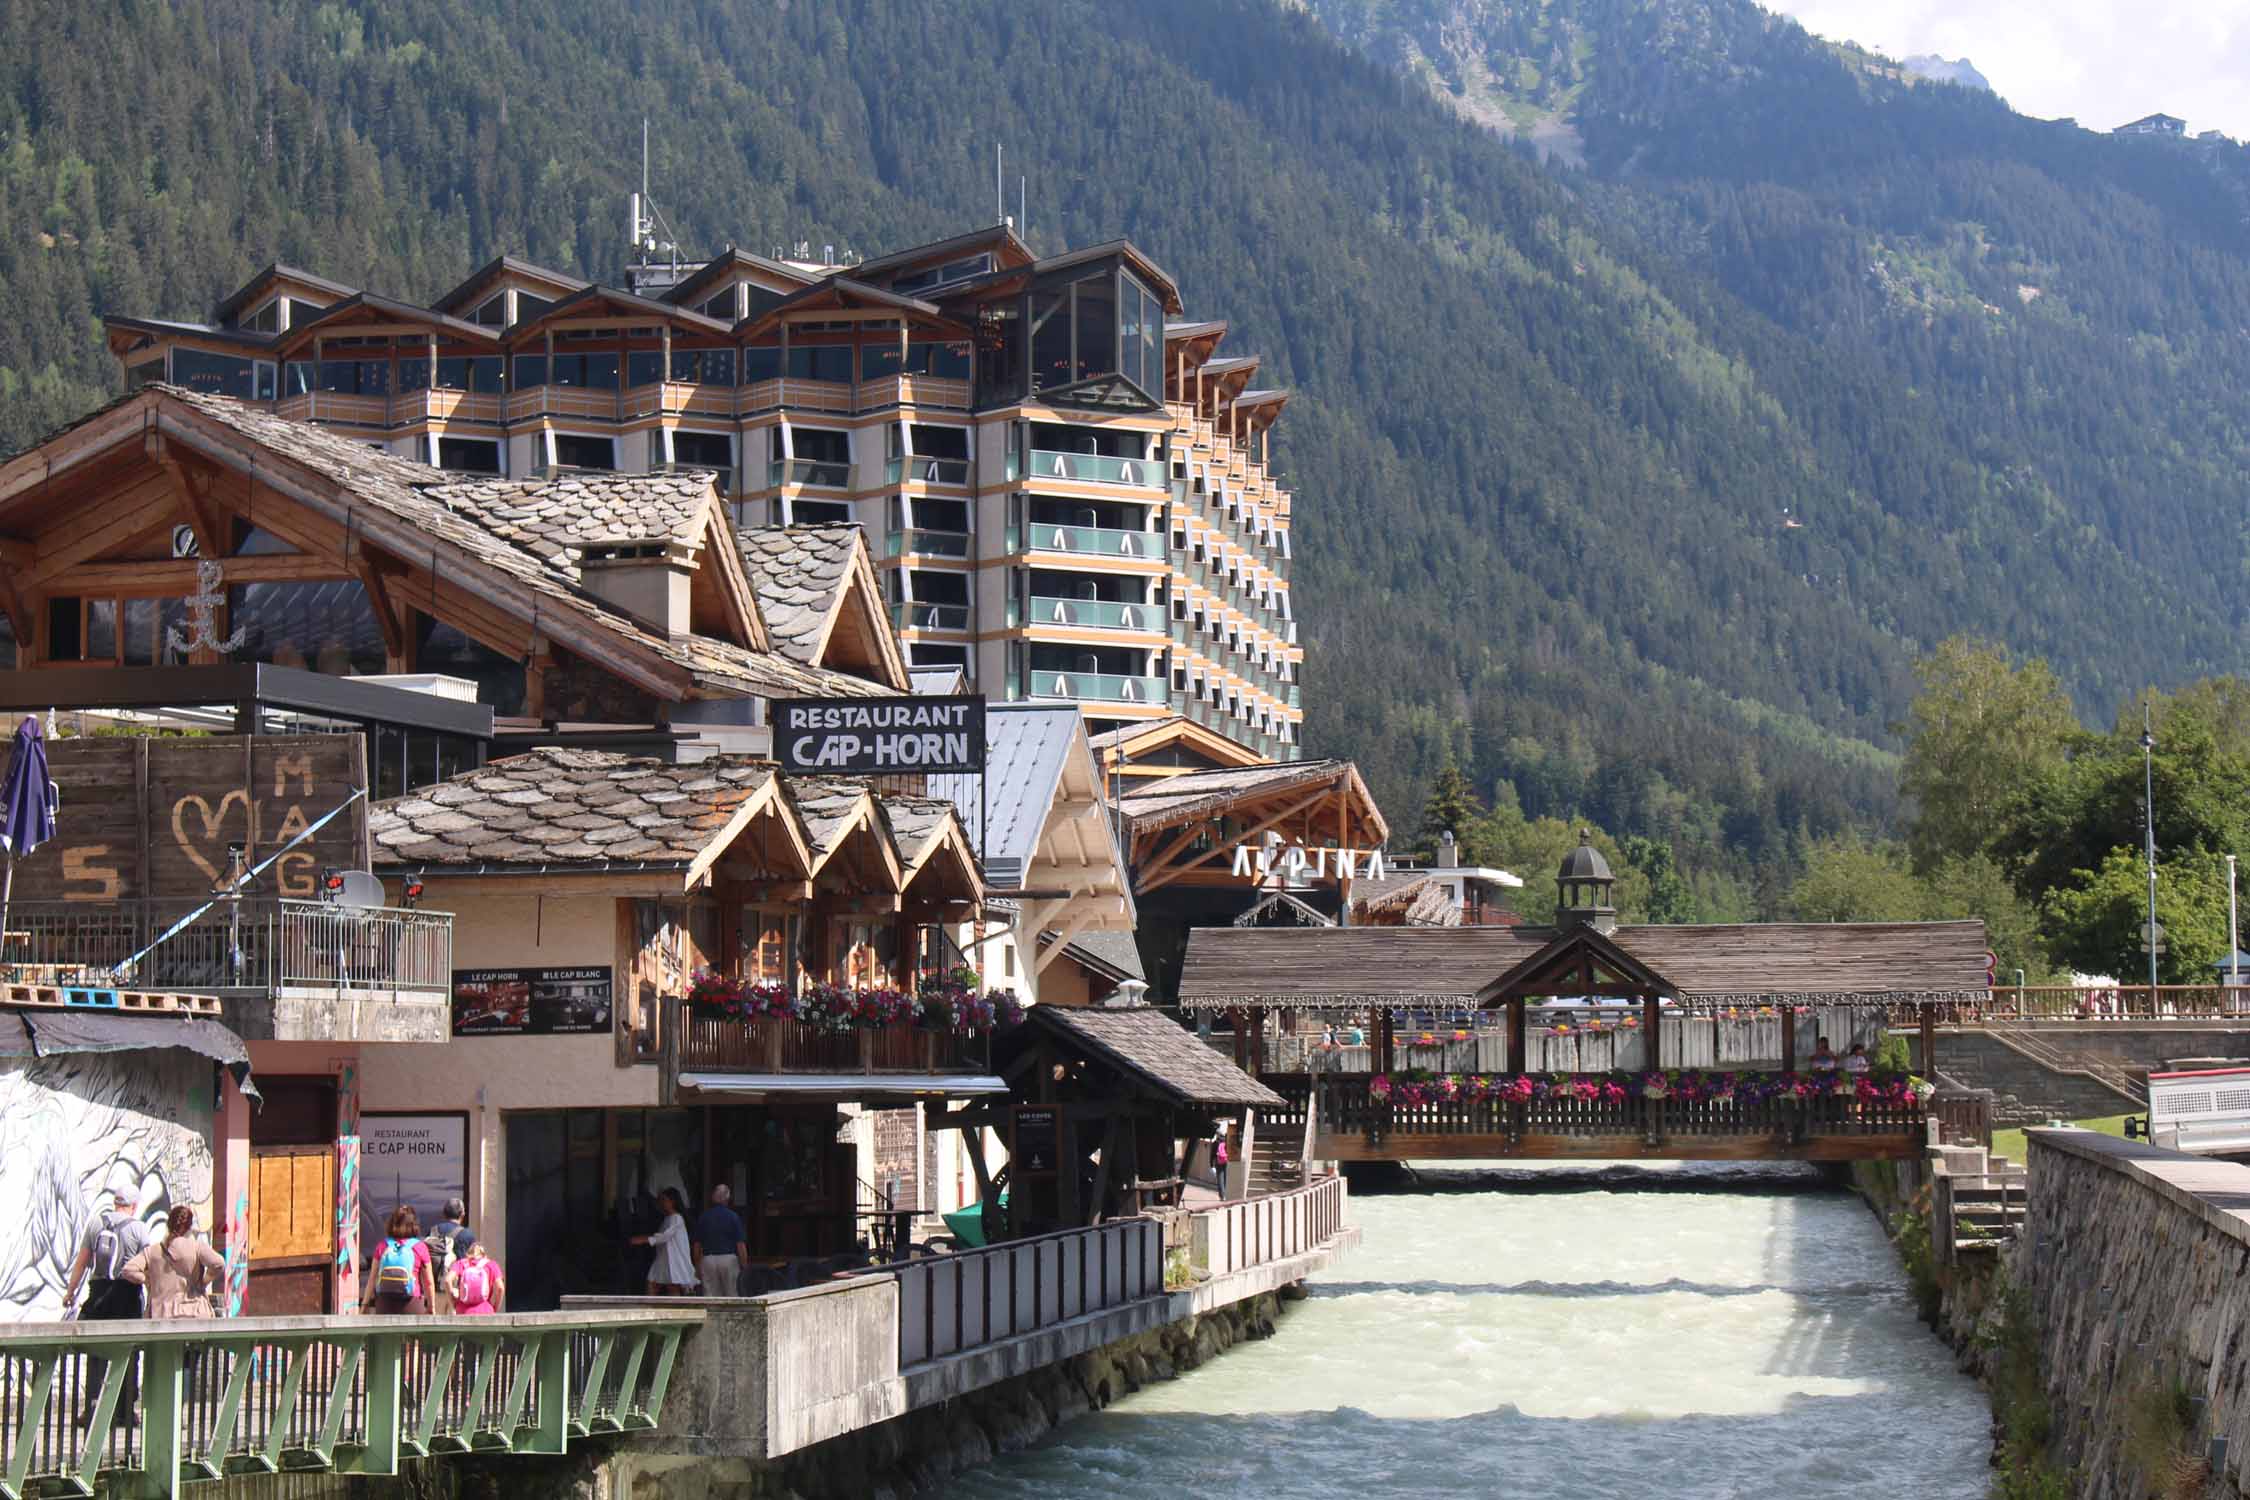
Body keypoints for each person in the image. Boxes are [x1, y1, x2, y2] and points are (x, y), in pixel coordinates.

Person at [62, 1185, 152, 1418]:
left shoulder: (96, 1223)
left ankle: (93, 1405)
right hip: (128, 1294)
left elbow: (82, 1262)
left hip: (99, 1292)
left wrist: (70, 1292)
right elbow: (149, 1266)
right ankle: (125, 1408)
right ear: (133, 1206)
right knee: (129, 1350)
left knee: (97, 1349)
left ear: (115, 1202)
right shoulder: (139, 1229)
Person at [122, 1206, 227, 1320]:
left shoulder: (152, 1251)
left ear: (168, 1224)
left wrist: (148, 1279)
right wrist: (205, 1281)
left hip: (161, 1315)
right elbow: (219, 1263)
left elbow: (128, 1270)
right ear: (189, 1227)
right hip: (196, 1314)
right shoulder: (196, 1247)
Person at [362, 1205, 438, 1315]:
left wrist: (365, 1304)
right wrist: (431, 1306)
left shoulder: (382, 1246)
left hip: (384, 1303)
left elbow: (372, 1278)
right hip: (411, 1303)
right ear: (414, 1225)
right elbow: (429, 1282)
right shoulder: (420, 1247)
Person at [629, 1189, 696, 1295]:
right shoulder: (667, 1219)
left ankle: (675, 1310)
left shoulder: (677, 1218)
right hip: (663, 1258)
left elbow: (665, 1236)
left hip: (673, 1259)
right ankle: (651, 1309)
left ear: (672, 1201)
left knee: (672, 1286)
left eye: (664, 1200)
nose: (661, 1203)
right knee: (653, 1282)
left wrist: (644, 1239)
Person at [692, 1185, 749, 1298]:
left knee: (710, 1296)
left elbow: (697, 1245)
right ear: (728, 1198)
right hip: (729, 1260)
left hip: (708, 1260)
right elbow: (740, 1245)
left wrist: (697, 1265)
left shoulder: (704, 1217)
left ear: (713, 1198)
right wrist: (744, 1265)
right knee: (732, 1295)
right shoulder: (733, 1217)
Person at [425, 1198, 469, 1314]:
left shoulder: (432, 1231)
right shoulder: (466, 1235)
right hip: (455, 1290)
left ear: (444, 1213)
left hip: (433, 1290)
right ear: (462, 1214)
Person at [446, 1233, 505, 1315]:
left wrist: (453, 1303)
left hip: (463, 1311)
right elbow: (500, 1288)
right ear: (484, 1254)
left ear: (469, 1252)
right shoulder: (492, 1265)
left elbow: (447, 1280)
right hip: (486, 1311)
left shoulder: (460, 1263)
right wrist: (495, 1308)